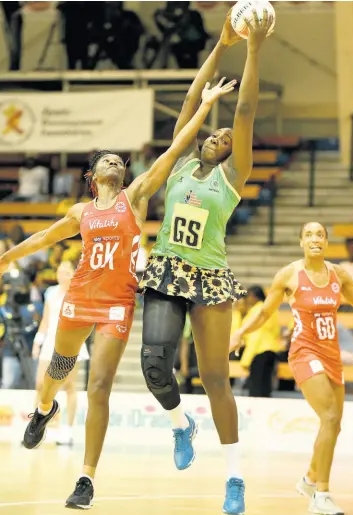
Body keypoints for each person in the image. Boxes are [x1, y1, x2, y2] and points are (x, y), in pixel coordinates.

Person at [0, 78, 236, 510]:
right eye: (107, 160)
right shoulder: (80, 212)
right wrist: (3, 259)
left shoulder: (136, 196)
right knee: (59, 366)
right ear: (93, 177)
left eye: (118, 159)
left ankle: (85, 479)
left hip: (117, 304)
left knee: (99, 387)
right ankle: (44, 409)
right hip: (81, 296)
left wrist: (203, 107)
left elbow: (172, 151)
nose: (116, 162)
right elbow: (40, 240)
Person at [139, 10, 273, 515]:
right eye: (212, 134)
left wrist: (253, 49)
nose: (220, 135)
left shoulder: (233, 175)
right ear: (198, 140)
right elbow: (194, 101)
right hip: (167, 267)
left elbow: (245, 113)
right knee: (154, 364)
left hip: (211, 277)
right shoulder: (176, 168)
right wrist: (220, 44)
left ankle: (234, 477)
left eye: (224, 136)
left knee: (216, 378)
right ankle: (181, 425)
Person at [230, 222, 353, 515]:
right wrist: (240, 332)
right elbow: (266, 312)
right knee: (330, 417)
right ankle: (321, 495)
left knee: (334, 424)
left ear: (327, 241)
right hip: (304, 353)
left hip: (331, 354)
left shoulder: (339, 274)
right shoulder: (289, 275)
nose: (315, 239)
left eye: (320, 234)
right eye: (308, 234)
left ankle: (309, 477)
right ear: (301, 242)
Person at [32, 260, 90, 446]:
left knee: (69, 386)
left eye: (66, 271)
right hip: (50, 342)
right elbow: (46, 320)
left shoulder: (79, 292)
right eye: (60, 270)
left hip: (71, 343)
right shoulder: (50, 292)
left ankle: (68, 431)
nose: (61, 273)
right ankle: (36, 428)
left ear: (74, 273)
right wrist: (37, 342)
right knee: (40, 384)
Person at [238, 286, 281, 398]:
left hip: (258, 351)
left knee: (256, 388)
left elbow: (255, 336)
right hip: (271, 350)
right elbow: (276, 331)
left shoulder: (257, 311)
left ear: (253, 296)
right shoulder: (271, 309)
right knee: (266, 387)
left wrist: (247, 359)